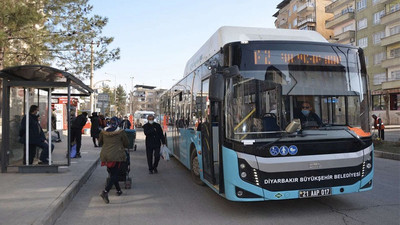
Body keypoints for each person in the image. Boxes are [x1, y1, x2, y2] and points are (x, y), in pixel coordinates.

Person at [99, 117, 129, 204]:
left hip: (106, 155)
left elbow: (100, 142)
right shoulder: (121, 132)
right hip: (117, 155)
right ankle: (105, 191)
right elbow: (126, 143)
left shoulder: (103, 132)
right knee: (115, 174)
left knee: (112, 173)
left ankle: (119, 190)